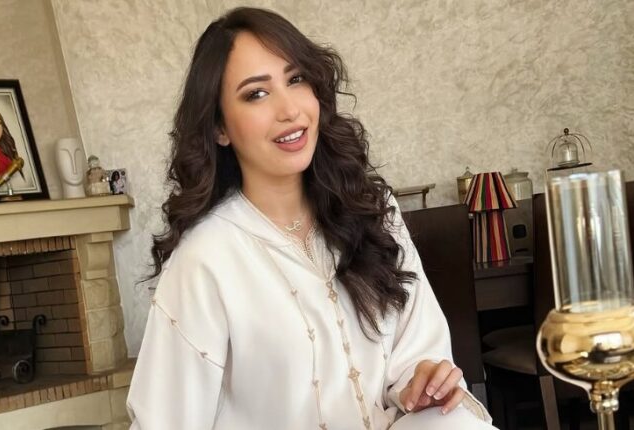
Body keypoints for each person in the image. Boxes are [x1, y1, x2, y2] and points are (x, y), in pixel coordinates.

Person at [127, 7, 495, 430]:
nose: (289, 110)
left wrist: (421, 381)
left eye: (296, 79)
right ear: (219, 128)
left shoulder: (372, 210)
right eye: (256, 94)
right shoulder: (205, 259)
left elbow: (417, 349)